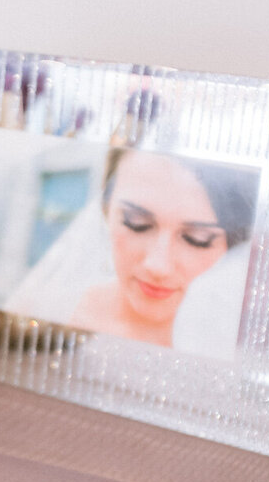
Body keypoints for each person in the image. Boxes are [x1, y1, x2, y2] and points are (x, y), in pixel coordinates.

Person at [62, 147, 258, 348]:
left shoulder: (236, 343)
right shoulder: (63, 313)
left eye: (196, 239)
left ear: (233, 245)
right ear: (106, 209)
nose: (158, 266)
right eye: (135, 223)